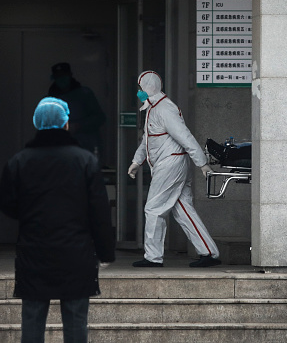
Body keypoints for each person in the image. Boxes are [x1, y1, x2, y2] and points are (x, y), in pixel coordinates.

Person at [0, 97, 115, 343]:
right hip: (76, 252)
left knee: (32, 317)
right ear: (65, 124)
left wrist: (31, 213)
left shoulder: (19, 161)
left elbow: (8, 204)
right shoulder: (85, 161)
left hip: (34, 250)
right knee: (75, 321)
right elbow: (100, 212)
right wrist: (106, 252)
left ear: (37, 124)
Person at [128, 70, 219, 268]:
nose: (138, 92)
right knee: (183, 209)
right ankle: (209, 252)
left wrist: (202, 163)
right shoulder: (153, 108)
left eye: (139, 88)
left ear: (147, 88)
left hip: (170, 164)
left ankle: (152, 257)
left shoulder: (164, 109)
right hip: (170, 164)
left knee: (153, 208)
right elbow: (147, 140)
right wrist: (136, 161)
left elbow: (185, 136)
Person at [48, 62, 106, 156]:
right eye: (58, 77)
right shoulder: (50, 99)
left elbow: (99, 118)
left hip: (85, 146)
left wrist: (78, 126)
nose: (62, 79)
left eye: (64, 76)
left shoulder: (85, 94)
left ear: (70, 75)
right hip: (60, 147)